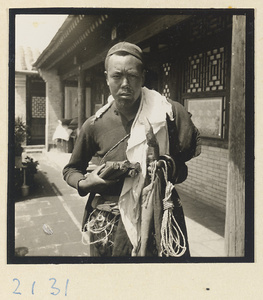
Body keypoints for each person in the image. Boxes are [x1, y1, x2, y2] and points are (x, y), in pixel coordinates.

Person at [63, 41, 201, 257]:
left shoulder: (166, 116)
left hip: (157, 223)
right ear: (107, 77)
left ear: (142, 78)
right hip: (107, 226)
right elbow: (70, 170)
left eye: (133, 76)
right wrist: (85, 183)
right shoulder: (94, 124)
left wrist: (162, 169)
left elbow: (181, 172)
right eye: (117, 76)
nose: (125, 83)